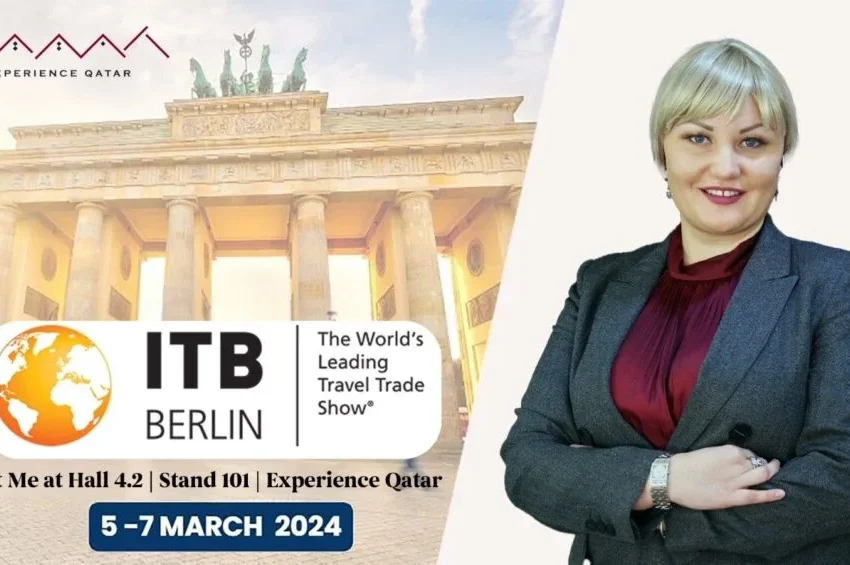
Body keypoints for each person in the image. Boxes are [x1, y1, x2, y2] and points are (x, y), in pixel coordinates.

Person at [500, 37, 850, 564]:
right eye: (698, 138)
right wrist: (665, 480)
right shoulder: (598, 284)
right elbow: (527, 461)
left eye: (752, 142)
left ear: (782, 157)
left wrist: (635, 509)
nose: (726, 166)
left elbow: (840, 476)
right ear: (663, 153)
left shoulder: (835, 282)